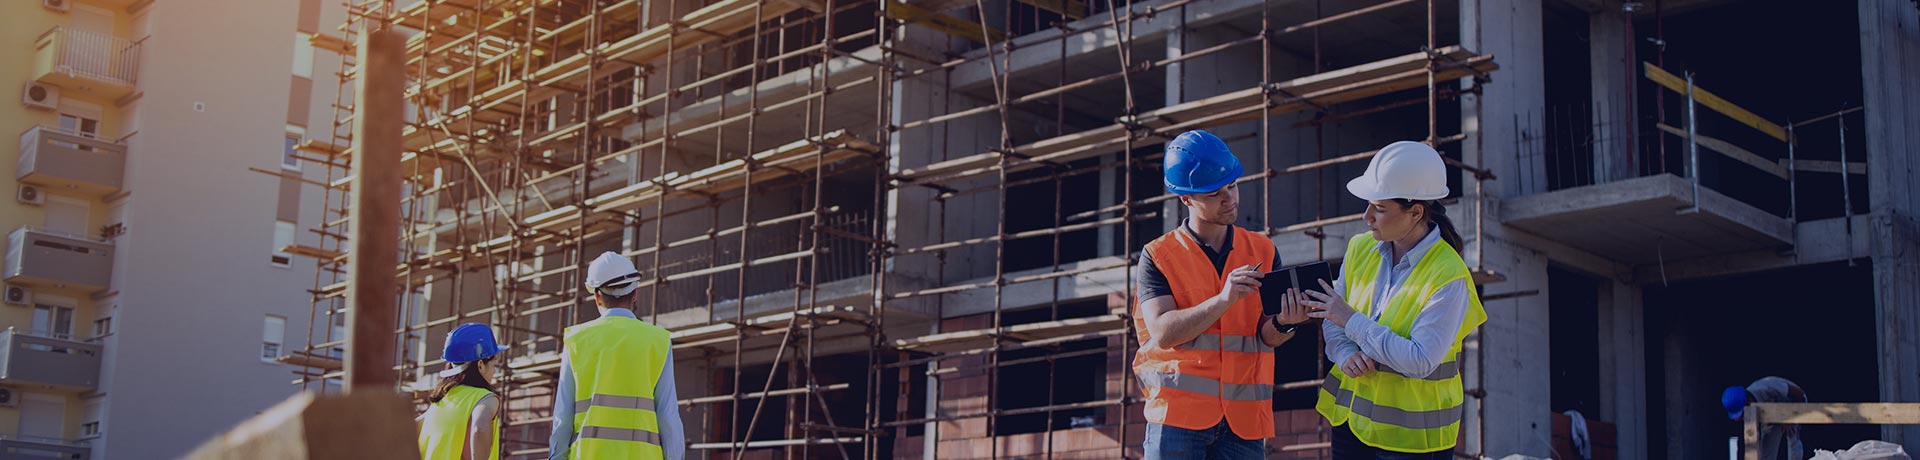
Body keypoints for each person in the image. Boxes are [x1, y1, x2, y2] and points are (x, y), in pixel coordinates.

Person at [1133, 130, 1313, 459]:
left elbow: (1266, 336)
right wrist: (1223, 300)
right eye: (1215, 193)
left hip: (1243, 420)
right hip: (1178, 417)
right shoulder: (1158, 256)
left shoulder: (1262, 249)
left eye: (1232, 186)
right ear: (1186, 199)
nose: (1229, 198)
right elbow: (1163, 332)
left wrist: (1286, 323)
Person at [1303, 141, 1488, 458]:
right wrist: (1345, 353)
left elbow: (1420, 361)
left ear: (1416, 212)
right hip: (1353, 425)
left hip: (1413, 440)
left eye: (1379, 208)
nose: (1367, 216)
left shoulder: (1448, 274)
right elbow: (1334, 315)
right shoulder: (1360, 247)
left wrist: (1351, 320)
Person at [548, 251, 685, 459]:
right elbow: (668, 416)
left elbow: (563, 416)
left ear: (597, 296)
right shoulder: (657, 340)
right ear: (635, 293)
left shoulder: (577, 340)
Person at [420, 323, 504, 460]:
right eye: (493, 364)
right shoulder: (485, 398)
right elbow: (479, 428)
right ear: (480, 365)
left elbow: (409, 428)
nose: (494, 371)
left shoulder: (441, 400)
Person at [1725, 376, 1808, 460]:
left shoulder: (1766, 388)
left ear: (1748, 401)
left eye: (1742, 414)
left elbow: (1799, 395)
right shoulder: (1750, 406)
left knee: (1792, 434)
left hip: (1792, 403)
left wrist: (1791, 417)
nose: (1742, 418)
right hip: (1770, 413)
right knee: (1766, 450)